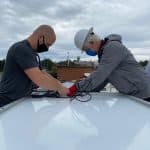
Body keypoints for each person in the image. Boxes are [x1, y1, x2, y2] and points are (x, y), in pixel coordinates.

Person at [67, 27, 150, 101]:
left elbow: (100, 74)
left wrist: (75, 88)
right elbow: (102, 80)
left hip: (144, 93)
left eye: (86, 49)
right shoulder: (104, 54)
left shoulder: (112, 47)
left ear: (91, 42)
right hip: (135, 94)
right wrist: (82, 90)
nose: (87, 52)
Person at [0, 25, 68, 107]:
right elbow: (39, 79)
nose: (47, 48)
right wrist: (60, 88)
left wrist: (59, 84)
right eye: (47, 44)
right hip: (7, 103)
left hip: (21, 101)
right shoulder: (21, 48)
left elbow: (43, 74)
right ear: (40, 37)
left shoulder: (32, 53)